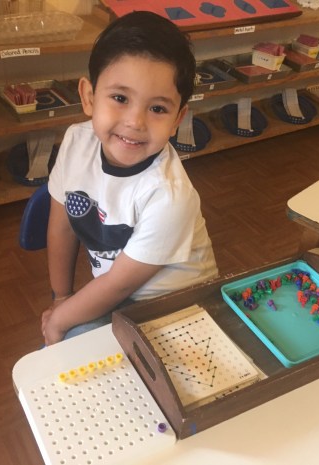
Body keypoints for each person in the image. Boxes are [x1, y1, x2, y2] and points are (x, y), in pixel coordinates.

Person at [40, 10, 218, 345]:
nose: (135, 122)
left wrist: (60, 320)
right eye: (120, 98)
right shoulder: (76, 142)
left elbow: (119, 284)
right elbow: (61, 226)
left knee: (73, 343)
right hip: (116, 291)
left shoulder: (169, 195)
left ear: (177, 119)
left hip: (176, 303)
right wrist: (61, 297)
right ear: (89, 97)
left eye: (157, 108)